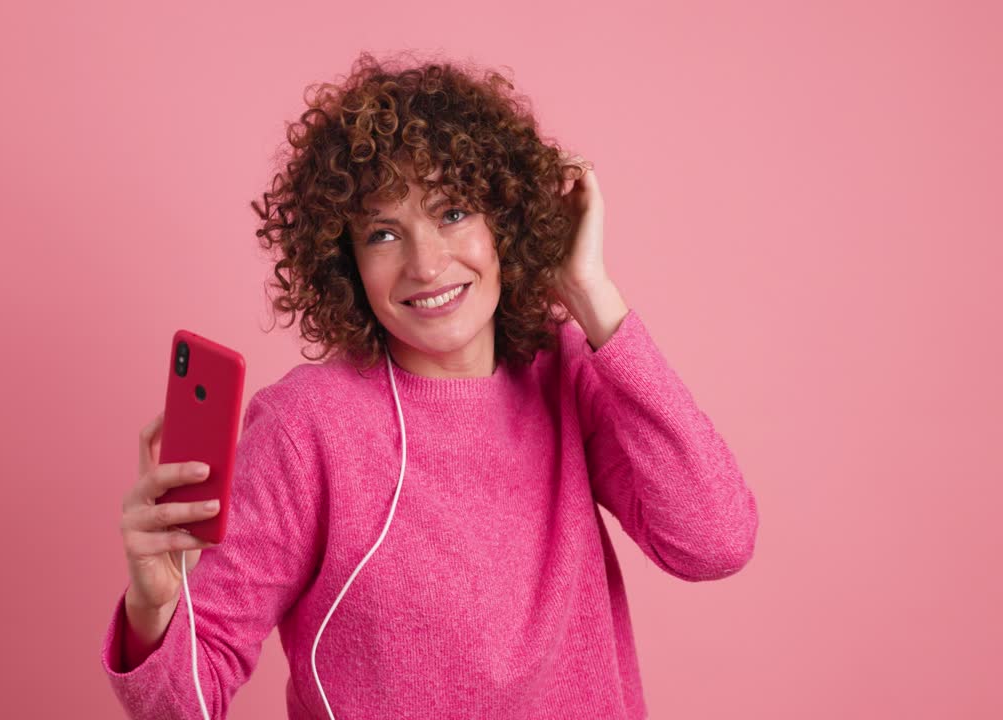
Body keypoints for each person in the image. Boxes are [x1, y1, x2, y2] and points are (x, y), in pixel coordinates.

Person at [100, 51, 759, 720]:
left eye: (452, 213)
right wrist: (152, 610)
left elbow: (714, 542)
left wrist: (591, 295)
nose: (426, 263)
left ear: (506, 220)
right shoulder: (306, 429)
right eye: (384, 233)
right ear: (347, 262)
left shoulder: (563, 366)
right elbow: (181, 704)